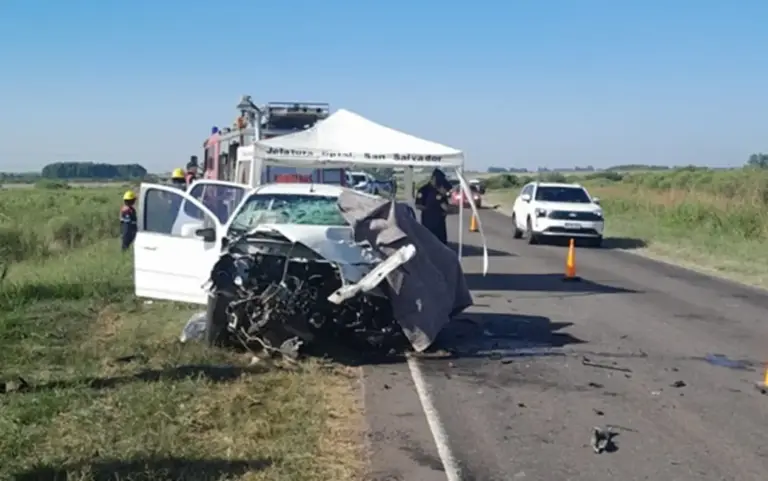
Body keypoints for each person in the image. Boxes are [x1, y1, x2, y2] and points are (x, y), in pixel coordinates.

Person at [415, 168, 451, 244]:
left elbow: (446, 207)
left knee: (441, 244)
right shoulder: (424, 190)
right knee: (428, 243)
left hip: (440, 224)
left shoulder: (440, 191)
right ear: (433, 178)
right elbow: (418, 205)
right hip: (428, 223)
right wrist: (431, 209)